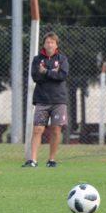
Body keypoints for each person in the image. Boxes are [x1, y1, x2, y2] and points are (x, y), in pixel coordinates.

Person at [22, 32, 69, 168]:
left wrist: (46, 72)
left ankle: (52, 160)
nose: (49, 45)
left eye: (52, 42)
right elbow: (36, 76)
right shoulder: (37, 59)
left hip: (58, 100)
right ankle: (33, 160)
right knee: (38, 129)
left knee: (56, 130)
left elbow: (62, 76)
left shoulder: (62, 59)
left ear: (56, 45)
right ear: (44, 44)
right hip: (41, 100)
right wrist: (52, 72)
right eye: (47, 42)